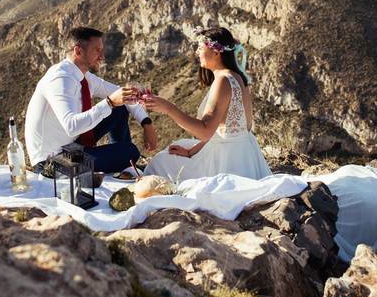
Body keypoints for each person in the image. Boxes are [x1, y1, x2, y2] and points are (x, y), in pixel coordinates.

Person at [142, 27, 270, 181]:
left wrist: (168, 108)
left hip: (225, 162)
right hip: (245, 156)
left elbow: (205, 132)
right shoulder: (237, 77)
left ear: (216, 52)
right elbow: (226, 131)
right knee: (179, 147)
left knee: (160, 162)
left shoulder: (223, 80)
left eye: (200, 48)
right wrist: (191, 152)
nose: (197, 52)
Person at [25, 26, 158, 173]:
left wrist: (146, 123)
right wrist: (109, 102)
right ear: (78, 51)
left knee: (119, 108)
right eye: (97, 50)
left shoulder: (83, 76)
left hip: (71, 146)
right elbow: (71, 126)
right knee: (130, 151)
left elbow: (121, 94)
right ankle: (124, 160)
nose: (102, 56)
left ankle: (123, 165)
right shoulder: (60, 79)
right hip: (54, 161)